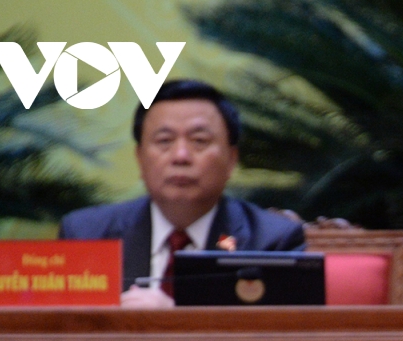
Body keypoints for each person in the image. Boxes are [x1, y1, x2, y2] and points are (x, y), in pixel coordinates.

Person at [58, 79, 305, 308]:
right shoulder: (86, 235)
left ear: (231, 159)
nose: (181, 156)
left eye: (199, 141)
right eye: (164, 141)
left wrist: (174, 318)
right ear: (140, 158)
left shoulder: (272, 242)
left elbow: (278, 334)